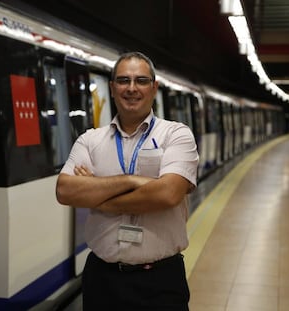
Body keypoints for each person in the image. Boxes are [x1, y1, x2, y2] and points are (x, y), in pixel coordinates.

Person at [56, 51, 199, 311]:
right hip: (102, 279)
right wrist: (133, 180)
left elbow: (167, 194)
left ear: (154, 88)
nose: (131, 88)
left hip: (161, 281)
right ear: (112, 88)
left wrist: (102, 198)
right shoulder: (90, 140)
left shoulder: (176, 135)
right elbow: (66, 191)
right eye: (123, 81)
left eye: (141, 81)